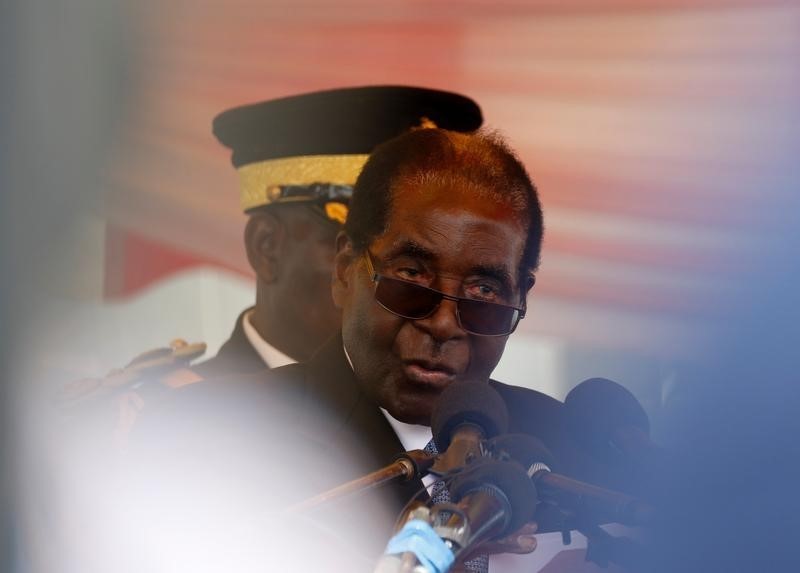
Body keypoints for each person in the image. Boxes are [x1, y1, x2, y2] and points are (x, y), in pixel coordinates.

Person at [126, 127, 636, 572]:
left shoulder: (569, 453)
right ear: (346, 269)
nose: (441, 324)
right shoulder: (209, 439)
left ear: (519, 297)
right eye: (410, 277)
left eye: (482, 295)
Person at [192, 86, 484, 378]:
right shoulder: (181, 416)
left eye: (410, 269)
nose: (395, 288)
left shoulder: (438, 416)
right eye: (353, 250)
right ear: (265, 246)